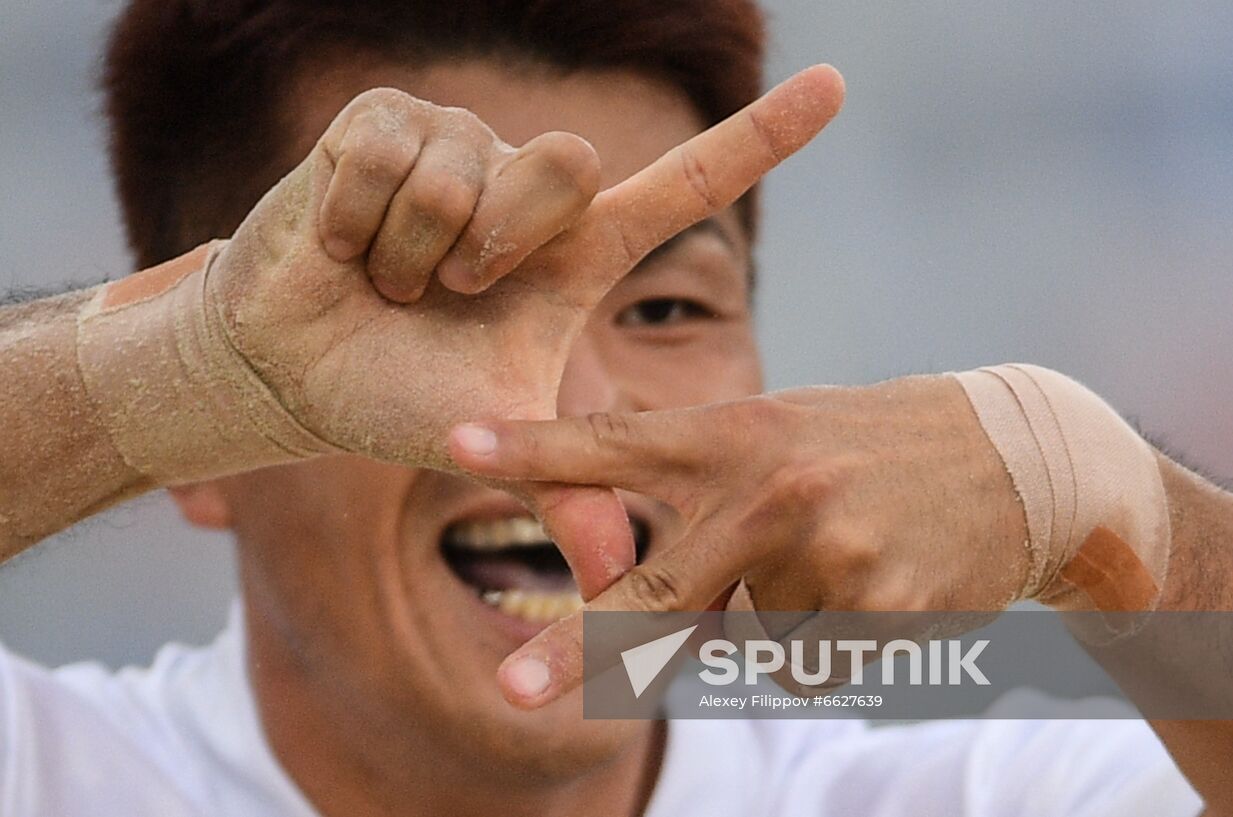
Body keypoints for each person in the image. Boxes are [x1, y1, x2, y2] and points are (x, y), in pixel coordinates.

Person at [0, 1, 1225, 815]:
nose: (580, 414)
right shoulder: (51, 771)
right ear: (197, 453)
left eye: (669, 313)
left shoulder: (957, 787)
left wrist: (1097, 490)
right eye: (431, 308)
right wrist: (158, 374)